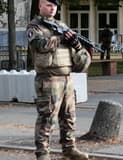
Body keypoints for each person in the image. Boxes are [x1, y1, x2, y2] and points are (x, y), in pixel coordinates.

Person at [26, 0, 89, 159]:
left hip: (67, 78)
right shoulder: (35, 26)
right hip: (48, 79)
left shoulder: (62, 25)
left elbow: (75, 52)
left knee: (69, 117)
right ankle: (42, 154)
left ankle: (69, 149)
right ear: (40, 6)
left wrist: (76, 44)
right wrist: (61, 38)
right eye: (48, 4)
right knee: (47, 118)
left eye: (54, 5)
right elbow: (39, 45)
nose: (52, 8)